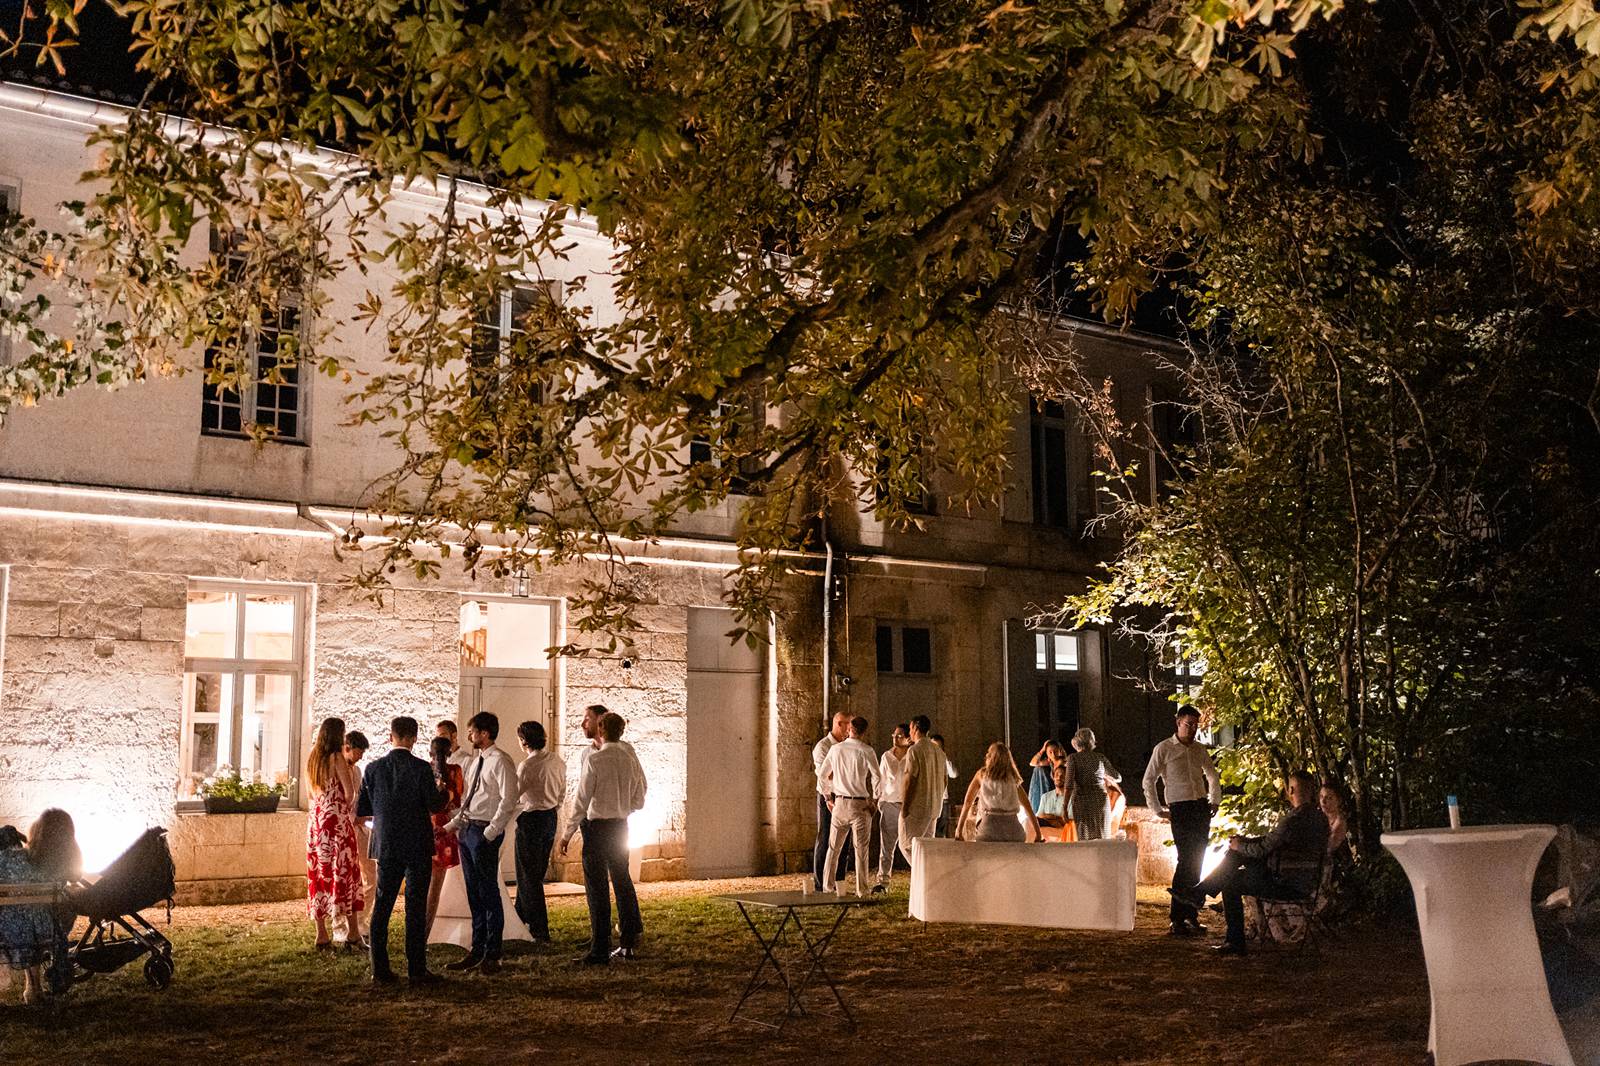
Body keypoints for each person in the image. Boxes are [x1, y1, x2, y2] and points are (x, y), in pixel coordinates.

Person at [1176, 770, 1330, 956]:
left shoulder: (1292, 820)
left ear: (1290, 789)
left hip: (1284, 884)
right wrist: (1243, 843)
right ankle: (1200, 892)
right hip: (1307, 881)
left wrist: (1240, 846)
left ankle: (1233, 939)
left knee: (1231, 882)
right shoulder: (1320, 819)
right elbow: (1272, 841)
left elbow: (1263, 849)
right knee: (1237, 855)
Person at [356, 715, 448, 986]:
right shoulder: (421, 769)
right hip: (417, 843)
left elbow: (363, 809)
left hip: (386, 844)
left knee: (383, 905)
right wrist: (440, 791)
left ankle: (380, 968)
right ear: (414, 738)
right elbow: (434, 805)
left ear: (391, 736)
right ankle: (416, 969)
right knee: (415, 907)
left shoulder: (372, 769)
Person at [561, 710, 647, 964]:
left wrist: (567, 832)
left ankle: (599, 947)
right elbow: (640, 790)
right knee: (622, 880)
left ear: (600, 730)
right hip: (620, 825)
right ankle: (628, 942)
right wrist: (628, 807)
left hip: (597, 828)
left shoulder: (596, 760)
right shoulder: (628, 756)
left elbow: (581, 799)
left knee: (597, 888)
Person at [443, 711, 518, 975]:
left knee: (488, 892)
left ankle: (493, 952)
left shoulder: (501, 761)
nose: (469, 736)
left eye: (473, 731)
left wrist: (492, 831)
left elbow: (509, 799)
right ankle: (477, 949)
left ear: (485, 733)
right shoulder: (476, 762)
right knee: (473, 893)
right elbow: (469, 799)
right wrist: (453, 827)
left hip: (484, 830)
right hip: (468, 830)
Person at [1142, 706, 1221, 937]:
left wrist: (1214, 800)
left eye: (1196, 725)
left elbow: (1212, 774)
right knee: (1185, 859)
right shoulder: (1164, 748)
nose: (1193, 729)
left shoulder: (1199, 749)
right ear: (1178, 722)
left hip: (1199, 806)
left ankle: (1190, 915)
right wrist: (1157, 810)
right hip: (1180, 808)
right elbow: (1149, 780)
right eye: (1189, 724)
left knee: (1196, 859)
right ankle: (1177, 918)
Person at [305, 716, 364, 952]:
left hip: (317, 822)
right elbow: (349, 792)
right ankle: (353, 933)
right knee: (346, 872)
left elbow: (310, 793)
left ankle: (321, 933)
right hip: (337, 822)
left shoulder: (312, 758)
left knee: (319, 874)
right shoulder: (336, 757)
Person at [513, 720, 565, 943]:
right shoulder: (557, 760)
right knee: (535, 873)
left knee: (528, 875)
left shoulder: (528, 766)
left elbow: (514, 794)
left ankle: (540, 928)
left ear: (524, 741)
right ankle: (519, 918)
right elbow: (562, 791)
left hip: (532, 819)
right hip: (551, 817)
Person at [819, 716, 880, 895]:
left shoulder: (836, 749)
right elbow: (877, 776)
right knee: (861, 849)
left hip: (839, 801)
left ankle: (827, 886)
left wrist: (827, 796)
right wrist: (875, 800)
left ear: (849, 729)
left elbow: (823, 774)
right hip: (859, 803)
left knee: (833, 848)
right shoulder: (867, 750)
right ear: (864, 732)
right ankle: (862, 889)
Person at [0, 824, 58, 1005]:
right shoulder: (32, 858)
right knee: (32, 941)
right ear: (18, 840)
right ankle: (34, 990)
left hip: (9, 926)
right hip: (40, 923)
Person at [956, 742, 1040, 843]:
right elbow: (1028, 807)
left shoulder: (982, 775)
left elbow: (968, 803)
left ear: (991, 757)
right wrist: (1038, 834)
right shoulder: (1013, 778)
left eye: (989, 753)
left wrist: (959, 831)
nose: (986, 755)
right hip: (1013, 831)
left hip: (988, 830)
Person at [423, 736, 464, 938]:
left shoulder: (422, 770)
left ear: (430, 753)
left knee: (421, 884)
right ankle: (426, 929)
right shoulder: (455, 771)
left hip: (424, 827)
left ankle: (418, 926)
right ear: (449, 753)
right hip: (444, 828)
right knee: (435, 886)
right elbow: (457, 800)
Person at [811, 710, 852, 890]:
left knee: (843, 841)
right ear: (839, 724)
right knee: (826, 837)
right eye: (848, 725)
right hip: (830, 795)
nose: (850, 730)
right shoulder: (823, 747)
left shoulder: (847, 746)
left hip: (845, 794)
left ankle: (838, 881)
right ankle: (821, 882)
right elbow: (826, 775)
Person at [898, 715, 948, 863]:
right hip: (934, 807)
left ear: (915, 728)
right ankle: (927, 876)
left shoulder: (915, 750)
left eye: (911, 728)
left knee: (907, 844)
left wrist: (905, 806)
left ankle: (922, 873)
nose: (910, 732)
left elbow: (910, 779)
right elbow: (944, 780)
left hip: (918, 807)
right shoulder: (939, 752)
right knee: (926, 846)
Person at [343, 730, 378, 934]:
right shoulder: (336, 769)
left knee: (370, 874)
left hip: (360, 829)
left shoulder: (357, 771)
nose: (360, 757)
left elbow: (359, 799)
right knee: (347, 876)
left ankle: (361, 920)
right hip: (345, 829)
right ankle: (343, 924)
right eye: (358, 752)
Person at [1064, 727, 1121, 841]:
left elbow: (1069, 785)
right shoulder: (1100, 757)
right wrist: (1102, 774)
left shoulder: (1073, 758)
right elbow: (1117, 777)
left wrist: (1064, 807)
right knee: (1102, 836)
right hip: (1100, 800)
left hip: (1082, 801)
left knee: (1085, 838)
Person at [874, 722, 911, 891]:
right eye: (894, 735)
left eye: (899, 736)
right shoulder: (886, 756)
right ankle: (883, 881)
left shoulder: (912, 755)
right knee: (887, 845)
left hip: (907, 804)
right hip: (889, 803)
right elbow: (880, 780)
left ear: (908, 739)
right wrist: (880, 801)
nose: (895, 739)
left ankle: (918, 877)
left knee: (910, 843)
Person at [930, 733, 959, 836]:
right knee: (930, 830)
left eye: (938, 747)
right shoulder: (927, 761)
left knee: (941, 830)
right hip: (931, 800)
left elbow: (954, 774)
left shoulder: (945, 761)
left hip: (943, 800)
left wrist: (945, 759)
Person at [1027, 739, 1067, 812]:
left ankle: (1037, 809)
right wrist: (1042, 750)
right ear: (1047, 753)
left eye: (1055, 751)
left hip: (1061, 788)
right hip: (1049, 788)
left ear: (1059, 751)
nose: (1053, 754)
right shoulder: (1050, 762)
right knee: (1037, 769)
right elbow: (1032, 763)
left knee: (1039, 770)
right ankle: (1035, 808)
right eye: (1050, 752)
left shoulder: (1064, 762)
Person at [1035, 762, 1070, 829]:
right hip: (1046, 831)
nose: (1059, 777)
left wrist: (1048, 817)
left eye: (1063, 776)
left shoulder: (1071, 798)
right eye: (1056, 775)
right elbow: (1039, 817)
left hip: (1064, 832)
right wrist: (1055, 819)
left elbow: (1068, 821)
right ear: (1053, 777)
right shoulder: (1045, 796)